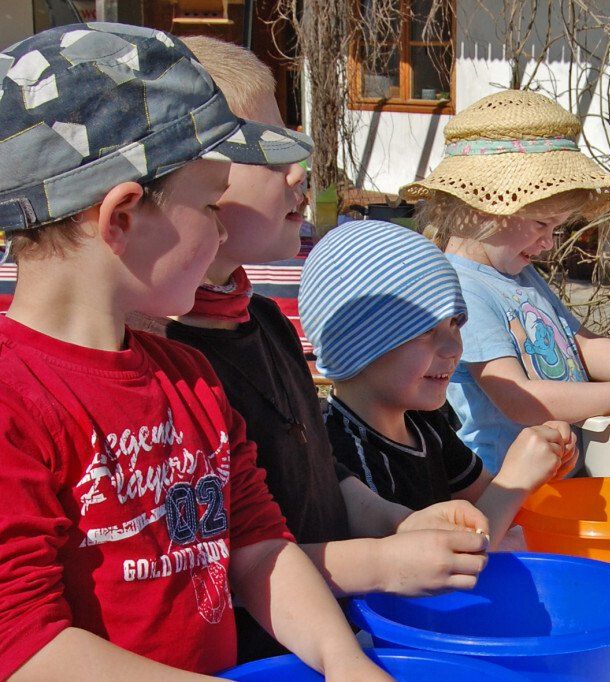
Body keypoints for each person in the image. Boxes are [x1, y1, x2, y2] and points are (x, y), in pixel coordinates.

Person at [0, 24, 385, 680]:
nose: (219, 228)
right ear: (121, 218)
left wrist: (342, 659)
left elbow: (259, 546)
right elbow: (26, 643)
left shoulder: (190, 379)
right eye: (209, 205)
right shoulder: (14, 401)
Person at [127, 36, 490, 663]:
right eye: (265, 155)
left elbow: (314, 470)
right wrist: (378, 561)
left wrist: (388, 517)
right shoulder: (154, 356)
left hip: (318, 641)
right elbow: (215, 563)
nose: (298, 172)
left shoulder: (264, 320)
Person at [400, 89, 610, 472]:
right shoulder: (463, 291)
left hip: (556, 473)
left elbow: (583, 345)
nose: (548, 243)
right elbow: (519, 399)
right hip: (506, 485)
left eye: (557, 227)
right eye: (542, 224)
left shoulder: (516, 274)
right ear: (481, 211)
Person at [298, 220, 577, 546]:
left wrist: (538, 465)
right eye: (426, 331)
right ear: (359, 345)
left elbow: (488, 498)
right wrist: (513, 480)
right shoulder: (342, 449)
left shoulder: (424, 424)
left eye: (455, 325)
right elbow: (439, 559)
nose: (454, 349)